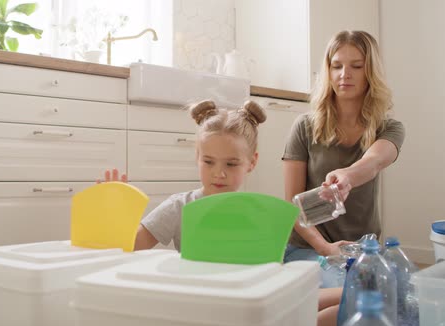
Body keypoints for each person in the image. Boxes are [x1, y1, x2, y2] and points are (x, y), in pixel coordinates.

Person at [282, 30, 405, 287]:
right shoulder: (304, 127)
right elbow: (292, 205)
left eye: (356, 66)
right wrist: (326, 248)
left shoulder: (389, 128)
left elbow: (374, 161)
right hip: (310, 248)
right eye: (336, 66)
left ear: (369, 71)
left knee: (397, 293)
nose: (344, 74)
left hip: (363, 249)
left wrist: (348, 176)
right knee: (344, 293)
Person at [99, 99, 266, 251]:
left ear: (252, 162)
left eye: (231, 164)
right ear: (197, 156)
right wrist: (116, 213)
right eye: (208, 162)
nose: (219, 173)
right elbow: (132, 245)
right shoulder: (179, 207)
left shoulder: (257, 212)